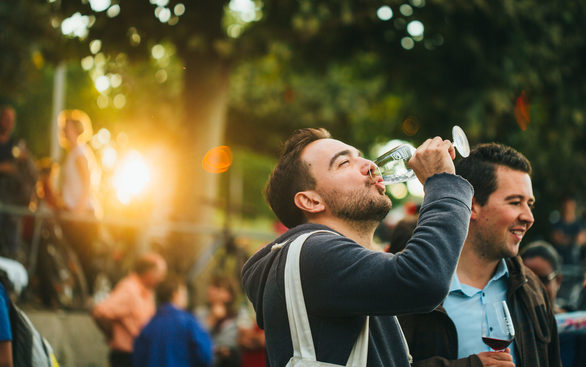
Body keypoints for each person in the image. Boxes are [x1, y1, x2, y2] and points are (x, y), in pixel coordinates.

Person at [241, 128, 473, 366]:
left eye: (361, 156)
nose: (371, 165)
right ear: (311, 201)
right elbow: (424, 279)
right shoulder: (313, 254)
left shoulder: (334, 269)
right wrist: (443, 182)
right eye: (343, 163)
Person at [399, 143, 561, 367]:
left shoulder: (531, 289)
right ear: (472, 205)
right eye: (515, 202)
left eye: (529, 204)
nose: (529, 217)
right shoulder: (409, 288)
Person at [92, 252, 167, 367]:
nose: (161, 278)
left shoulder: (147, 292)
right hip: (125, 357)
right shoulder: (129, 289)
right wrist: (111, 334)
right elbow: (100, 312)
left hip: (139, 356)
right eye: (159, 274)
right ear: (148, 272)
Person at [57, 109, 102, 291]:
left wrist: (79, 211)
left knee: (84, 257)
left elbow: (87, 184)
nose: (63, 131)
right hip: (74, 212)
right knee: (76, 256)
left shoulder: (80, 153)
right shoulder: (72, 154)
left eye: (66, 128)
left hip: (81, 215)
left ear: (75, 130)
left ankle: (88, 293)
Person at [133, 274, 213, 367]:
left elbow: (138, 360)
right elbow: (205, 355)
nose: (186, 298)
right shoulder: (189, 323)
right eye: (184, 294)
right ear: (175, 294)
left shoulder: (148, 326)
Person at [0, 105, 37, 258]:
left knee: (12, 248)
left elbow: (29, 172)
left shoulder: (17, 144)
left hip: (12, 204)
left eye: (12, 120)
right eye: (6, 118)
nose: (9, 122)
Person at [549, 196, 586, 309]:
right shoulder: (556, 223)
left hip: (576, 269)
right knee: (559, 301)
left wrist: (566, 239)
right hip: (560, 268)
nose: (568, 208)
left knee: (574, 300)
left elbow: (581, 240)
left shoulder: (579, 224)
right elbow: (557, 238)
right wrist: (573, 239)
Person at [196, 275, 241, 367]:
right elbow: (196, 341)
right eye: (211, 286)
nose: (211, 290)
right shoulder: (200, 313)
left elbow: (230, 348)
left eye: (217, 287)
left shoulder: (236, 319)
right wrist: (212, 319)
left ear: (229, 295)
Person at [520, 240, 565, 313]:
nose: (535, 287)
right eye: (527, 281)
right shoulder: (509, 321)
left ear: (558, 280)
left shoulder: (574, 322)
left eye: (543, 280)